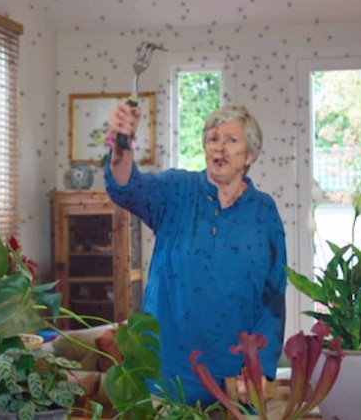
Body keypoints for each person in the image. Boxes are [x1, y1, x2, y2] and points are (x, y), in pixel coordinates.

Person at [104, 101, 287, 406]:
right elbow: (127, 187)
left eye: (231, 140)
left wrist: (260, 368)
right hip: (166, 374)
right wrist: (121, 143)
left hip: (233, 382)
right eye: (213, 139)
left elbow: (273, 296)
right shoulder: (177, 190)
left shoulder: (264, 211)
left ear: (250, 154)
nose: (220, 148)